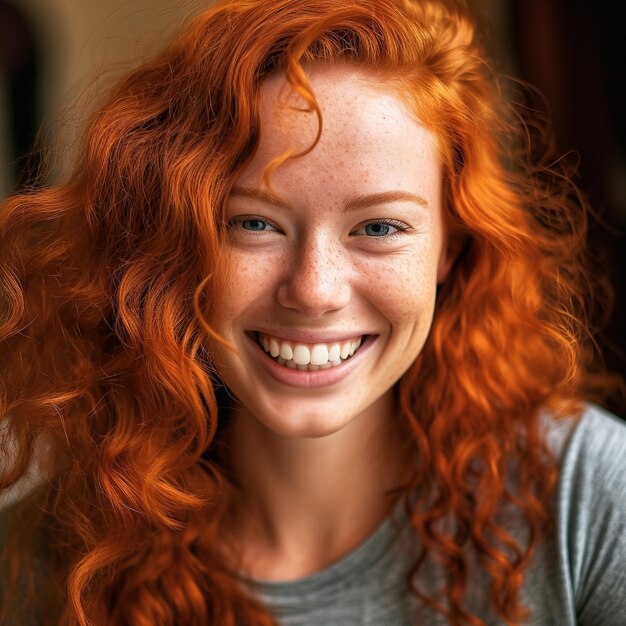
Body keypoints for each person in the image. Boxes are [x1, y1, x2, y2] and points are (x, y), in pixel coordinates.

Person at [1, 0, 625, 624]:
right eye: (253, 223)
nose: (315, 290)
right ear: (174, 243)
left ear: (448, 248)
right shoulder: (46, 555)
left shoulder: (594, 501)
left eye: (379, 226)